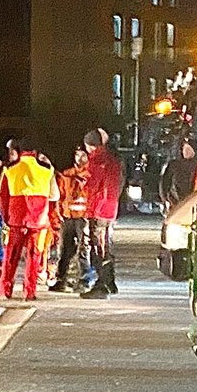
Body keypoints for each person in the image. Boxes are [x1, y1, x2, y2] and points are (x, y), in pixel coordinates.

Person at [0, 140, 56, 301]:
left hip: (16, 219)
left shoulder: (9, 170)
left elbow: (3, 196)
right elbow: (54, 195)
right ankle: (29, 291)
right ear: (35, 152)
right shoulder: (47, 170)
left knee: (10, 256)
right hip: (39, 220)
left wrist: (6, 217)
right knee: (34, 256)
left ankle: (5, 289)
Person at [80, 127, 122, 299]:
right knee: (105, 245)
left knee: (99, 248)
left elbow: (91, 186)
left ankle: (102, 284)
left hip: (99, 209)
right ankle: (110, 282)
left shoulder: (97, 161)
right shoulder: (112, 160)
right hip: (109, 207)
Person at [50, 147, 92, 292]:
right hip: (67, 217)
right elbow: (59, 196)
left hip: (84, 218)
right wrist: (59, 213)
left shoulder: (91, 175)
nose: (79, 158)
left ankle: (85, 280)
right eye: (77, 155)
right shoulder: (66, 175)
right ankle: (62, 279)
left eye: (83, 155)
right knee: (64, 250)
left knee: (84, 249)